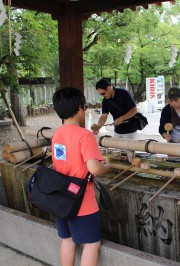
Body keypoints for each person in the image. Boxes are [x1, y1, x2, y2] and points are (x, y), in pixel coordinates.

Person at [52, 87, 110, 266]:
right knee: (92, 244)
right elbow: (94, 168)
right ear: (79, 108)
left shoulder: (57, 133)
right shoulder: (85, 135)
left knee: (68, 239)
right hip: (82, 200)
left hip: (60, 197)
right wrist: (106, 166)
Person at [92, 78, 138, 162]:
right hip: (118, 130)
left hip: (130, 130)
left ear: (109, 88)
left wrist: (121, 118)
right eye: (100, 94)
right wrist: (98, 127)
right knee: (117, 155)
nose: (103, 95)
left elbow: (134, 110)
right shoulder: (105, 101)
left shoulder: (123, 93)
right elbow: (104, 116)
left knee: (130, 155)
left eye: (103, 93)